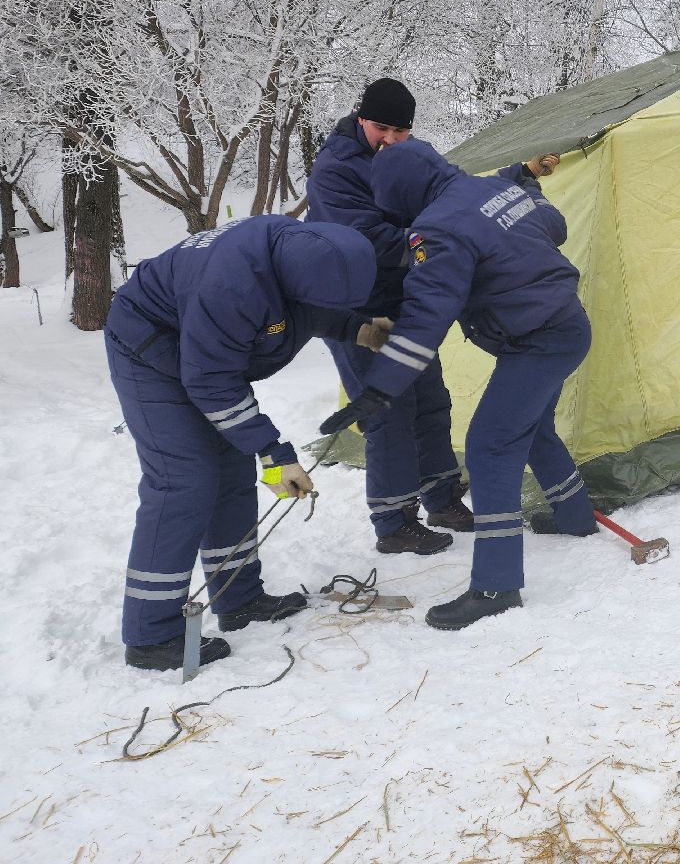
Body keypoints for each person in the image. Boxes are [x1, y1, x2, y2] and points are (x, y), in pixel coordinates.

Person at [319, 139, 596, 630]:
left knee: (489, 447)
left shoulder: (436, 228)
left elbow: (427, 316)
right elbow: (554, 226)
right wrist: (527, 190)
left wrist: (379, 388)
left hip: (537, 341)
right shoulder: (497, 189)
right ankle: (575, 517)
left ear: (401, 195)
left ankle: (496, 585)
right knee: (531, 427)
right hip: (568, 324)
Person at [106, 216, 385, 670]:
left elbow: (314, 307)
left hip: (205, 352)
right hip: (149, 350)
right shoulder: (231, 287)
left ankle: (239, 600)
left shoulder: (309, 254)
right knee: (184, 481)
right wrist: (276, 454)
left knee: (233, 474)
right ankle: (151, 635)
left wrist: (361, 328)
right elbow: (211, 381)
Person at [306, 78, 470, 557]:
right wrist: (430, 244)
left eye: (402, 131)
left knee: (430, 398)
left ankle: (442, 498)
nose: (392, 140)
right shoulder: (335, 169)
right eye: (382, 128)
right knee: (387, 409)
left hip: (403, 300)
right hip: (351, 306)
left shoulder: (411, 152)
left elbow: (450, 191)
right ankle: (394, 521)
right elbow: (366, 239)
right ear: (362, 118)